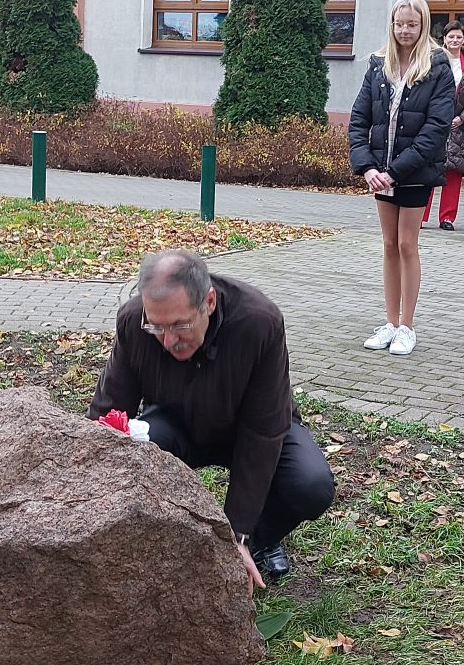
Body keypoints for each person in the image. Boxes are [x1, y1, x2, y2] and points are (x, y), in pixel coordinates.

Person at [88, 250, 335, 589]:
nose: (168, 341)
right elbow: (108, 414)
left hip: (252, 426)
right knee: (133, 441)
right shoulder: (133, 321)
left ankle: (259, 539)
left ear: (209, 301)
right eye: (156, 327)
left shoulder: (260, 322)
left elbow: (263, 432)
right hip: (176, 426)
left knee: (310, 484)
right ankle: (168, 541)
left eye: (179, 325)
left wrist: (236, 535)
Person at [349, 0, 455, 356]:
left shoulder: (438, 67)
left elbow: (435, 129)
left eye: (412, 24)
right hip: (380, 174)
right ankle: (390, 323)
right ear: (392, 25)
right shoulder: (378, 65)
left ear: (423, 24)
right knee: (389, 246)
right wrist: (367, 167)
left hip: (414, 173)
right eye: (399, 24)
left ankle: (407, 327)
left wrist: (394, 172)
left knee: (408, 245)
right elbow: (359, 119)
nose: (405, 30)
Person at [422, 20, 464, 231]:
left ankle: (447, 217)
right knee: (427, 170)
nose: (455, 40)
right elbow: (423, 89)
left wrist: (463, 118)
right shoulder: (432, 60)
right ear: (445, 39)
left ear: (463, 39)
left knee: (453, 171)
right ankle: (419, 216)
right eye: (451, 37)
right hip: (433, 123)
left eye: (458, 37)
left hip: (460, 125)